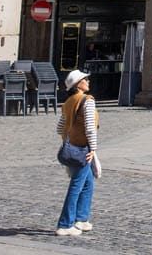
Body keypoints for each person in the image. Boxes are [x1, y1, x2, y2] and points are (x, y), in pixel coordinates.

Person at [56, 69, 100, 237]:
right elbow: (90, 127)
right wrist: (93, 149)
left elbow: (60, 128)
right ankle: (65, 224)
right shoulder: (87, 101)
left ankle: (81, 219)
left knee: (88, 183)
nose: (88, 81)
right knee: (76, 186)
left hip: (72, 148)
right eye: (85, 79)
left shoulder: (68, 103)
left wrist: (68, 141)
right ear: (78, 84)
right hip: (83, 149)